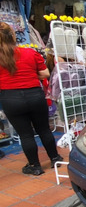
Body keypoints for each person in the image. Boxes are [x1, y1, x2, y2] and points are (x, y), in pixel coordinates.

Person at [0, 22, 63, 175]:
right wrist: (30, 75)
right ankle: (55, 158)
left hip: (10, 98)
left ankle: (35, 166)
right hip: (34, 95)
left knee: (25, 134)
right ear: (13, 36)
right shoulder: (29, 53)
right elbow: (46, 74)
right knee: (43, 129)